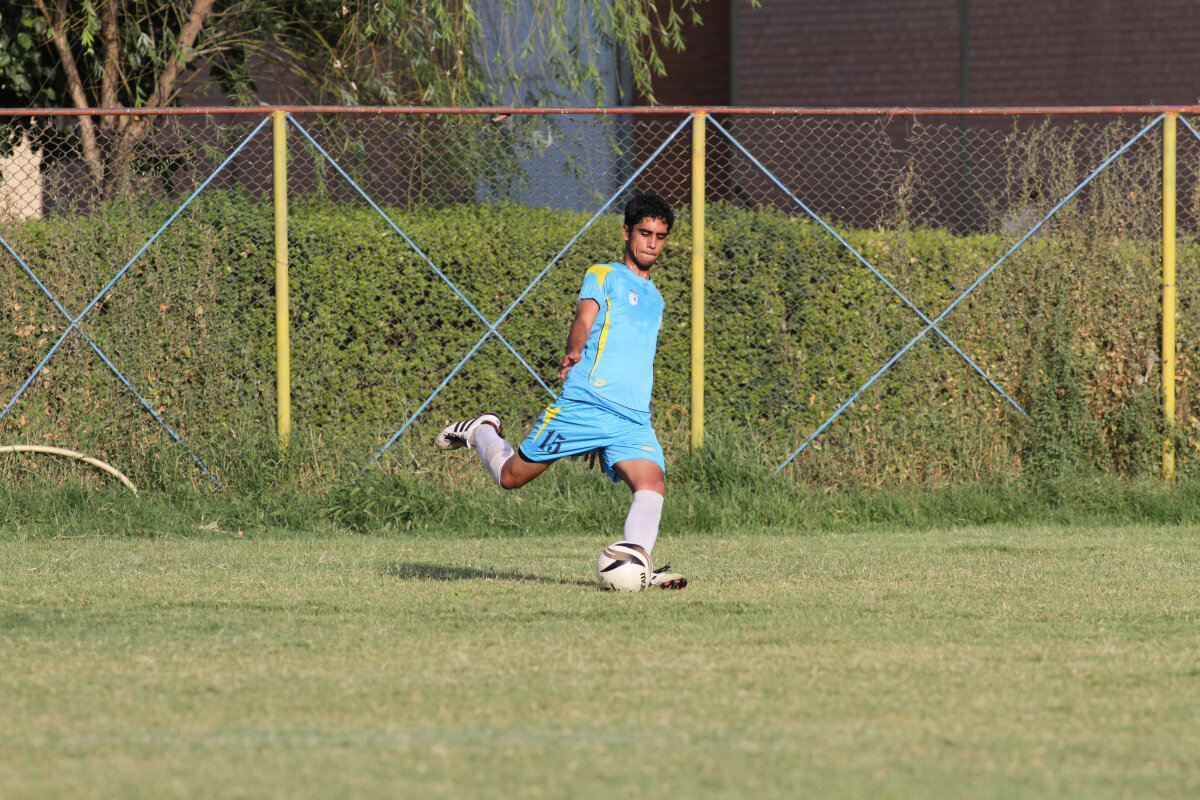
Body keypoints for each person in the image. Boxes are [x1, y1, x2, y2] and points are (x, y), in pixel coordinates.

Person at [435, 193, 686, 589]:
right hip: (587, 404)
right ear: (626, 232)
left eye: (660, 236)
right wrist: (574, 349)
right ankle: (481, 430)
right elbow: (584, 319)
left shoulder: (656, 298)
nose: (652, 243)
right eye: (644, 233)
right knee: (510, 477)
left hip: (632, 418)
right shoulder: (603, 274)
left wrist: (603, 439)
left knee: (652, 484)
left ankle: (637, 565)